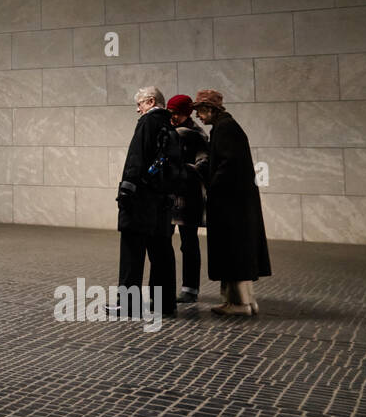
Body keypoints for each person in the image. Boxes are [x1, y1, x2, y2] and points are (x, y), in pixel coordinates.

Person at [192, 89, 271, 316]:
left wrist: (212, 187)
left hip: (230, 205)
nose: (198, 115)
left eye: (200, 110)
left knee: (234, 252)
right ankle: (243, 301)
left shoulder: (225, 128)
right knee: (237, 253)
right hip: (236, 203)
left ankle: (239, 304)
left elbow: (228, 166)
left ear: (210, 109)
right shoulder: (226, 126)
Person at [114, 86, 184, 319]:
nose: (137, 110)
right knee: (162, 251)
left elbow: (136, 159)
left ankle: (127, 305)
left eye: (140, 104)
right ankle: (165, 303)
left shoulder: (148, 123)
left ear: (151, 101)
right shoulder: (170, 126)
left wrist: (125, 193)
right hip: (162, 202)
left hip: (141, 200)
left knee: (132, 252)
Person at [166, 94, 209, 303]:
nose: (173, 116)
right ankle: (166, 288)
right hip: (168, 197)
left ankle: (190, 288)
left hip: (188, 198)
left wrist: (181, 171)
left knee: (188, 243)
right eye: (171, 112)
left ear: (186, 113)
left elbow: (204, 164)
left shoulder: (196, 134)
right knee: (163, 242)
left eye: (177, 113)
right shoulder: (167, 131)